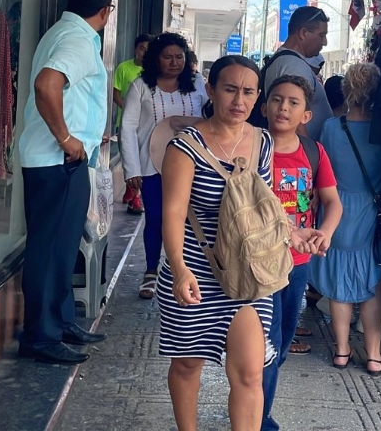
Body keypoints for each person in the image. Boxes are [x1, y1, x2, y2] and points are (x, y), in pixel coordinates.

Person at [158, 56, 324, 431]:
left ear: (257, 97)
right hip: (196, 267)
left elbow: (262, 204)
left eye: (248, 92)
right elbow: (172, 214)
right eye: (230, 89)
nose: (239, 100)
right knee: (188, 363)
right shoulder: (185, 147)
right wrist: (179, 269)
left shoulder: (262, 141)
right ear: (211, 90)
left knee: (251, 371)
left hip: (249, 271)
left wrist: (293, 234)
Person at [15, 0, 113, 365]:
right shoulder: (76, 40)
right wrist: (67, 137)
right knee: (50, 250)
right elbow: (47, 85)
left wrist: (84, 133)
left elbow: (67, 92)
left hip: (60, 158)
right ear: (106, 11)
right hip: (58, 161)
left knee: (62, 246)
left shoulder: (65, 31)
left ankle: (61, 320)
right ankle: (41, 336)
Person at [261, 75, 342, 431]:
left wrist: (324, 233)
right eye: (277, 100)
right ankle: (258, 416)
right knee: (266, 342)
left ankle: (256, 400)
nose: (284, 108)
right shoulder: (251, 147)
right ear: (263, 107)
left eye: (293, 102)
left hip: (298, 263)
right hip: (259, 263)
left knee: (283, 340)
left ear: (306, 115)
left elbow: (332, 202)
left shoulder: (313, 152)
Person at [310, 63, 381, 376]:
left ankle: (342, 352)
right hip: (370, 211)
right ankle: (374, 357)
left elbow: (323, 169)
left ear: (347, 90)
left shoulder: (333, 128)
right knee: (370, 286)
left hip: (335, 208)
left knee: (338, 283)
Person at [120, 32, 208, 296]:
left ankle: (186, 271)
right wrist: (131, 169)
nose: (173, 62)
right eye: (167, 57)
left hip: (193, 166)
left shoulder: (197, 84)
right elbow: (128, 127)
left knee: (193, 220)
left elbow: (210, 116)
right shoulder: (141, 86)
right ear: (156, 60)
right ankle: (151, 271)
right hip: (151, 165)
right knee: (156, 217)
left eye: (179, 57)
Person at [261, 6, 332, 136]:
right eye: (321, 35)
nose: (325, 42)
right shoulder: (293, 66)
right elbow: (295, 123)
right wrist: (306, 154)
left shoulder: (289, 62)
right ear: (303, 33)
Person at [115, 34, 152, 211]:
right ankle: (132, 190)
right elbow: (115, 94)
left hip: (145, 127)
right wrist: (132, 108)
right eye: (141, 48)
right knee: (128, 158)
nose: (144, 53)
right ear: (135, 49)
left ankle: (135, 197)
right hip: (126, 123)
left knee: (141, 159)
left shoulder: (154, 73)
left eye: (148, 50)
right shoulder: (123, 68)